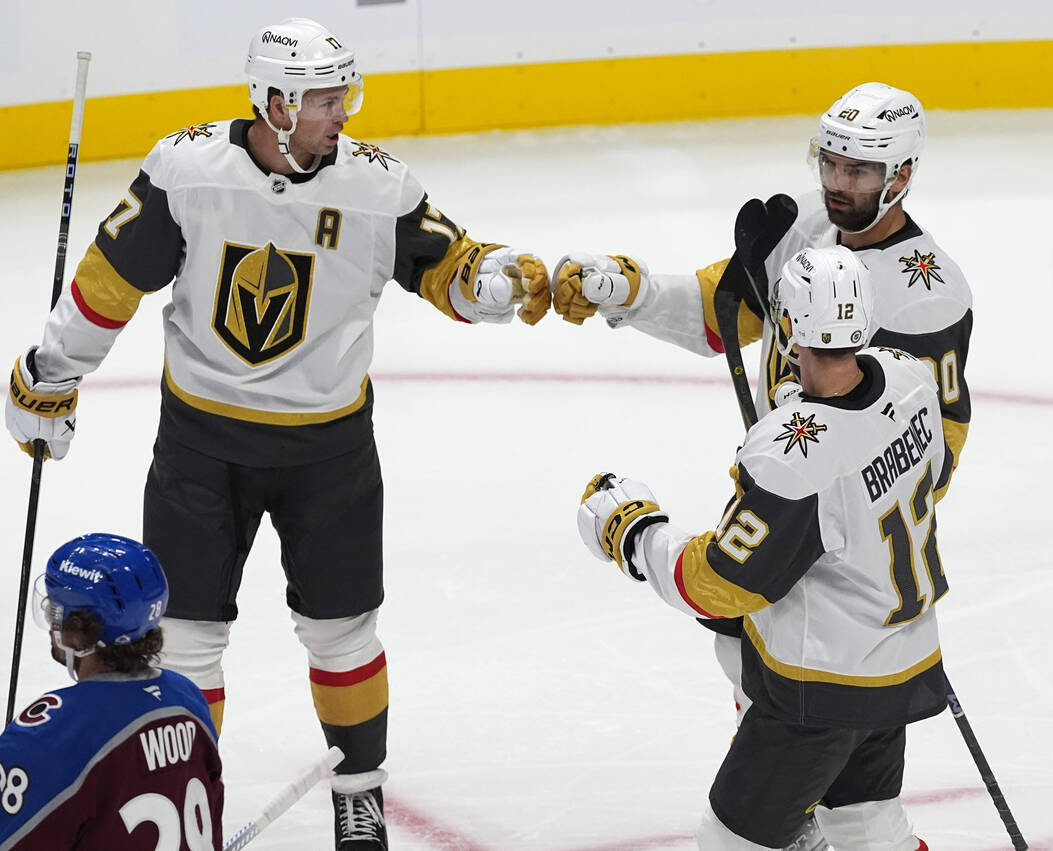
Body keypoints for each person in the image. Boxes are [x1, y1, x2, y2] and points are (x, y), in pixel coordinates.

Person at [3, 17, 550, 850]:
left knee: (342, 632)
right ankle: (187, 785)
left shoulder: (377, 184)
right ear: (276, 100)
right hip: (200, 445)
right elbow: (110, 281)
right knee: (184, 638)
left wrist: (495, 280)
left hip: (327, 450)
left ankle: (358, 792)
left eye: (343, 96)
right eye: (327, 99)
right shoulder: (187, 171)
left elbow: (449, 267)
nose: (343, 114)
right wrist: (52, 369)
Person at [553, 81, 972, 849]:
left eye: (860, 171)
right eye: (832, 163)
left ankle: (789, 820)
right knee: (744, 651)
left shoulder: (926, 295)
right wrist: (630, 290)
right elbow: (728, 309)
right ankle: (805, 817)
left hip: (837, 550)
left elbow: (935, 454)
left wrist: (810, 470)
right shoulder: (814, 231)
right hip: (817, 523)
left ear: (902, 175)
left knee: (752, 650)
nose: (839, 184)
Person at [577, 246, 948, 850]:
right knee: (870, 831)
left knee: (730, 844)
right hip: (897, 660)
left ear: (791, 326)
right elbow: (865, 449)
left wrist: (632, 533)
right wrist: (799, 404)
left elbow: (720, 585)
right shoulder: (910, 377)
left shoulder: (793, 458)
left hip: (821, 690)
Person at [0, 533, 223, 850]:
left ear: (79, 635)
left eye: (55, 612)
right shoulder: (187, 700)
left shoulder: (52, 735)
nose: (50, 621)